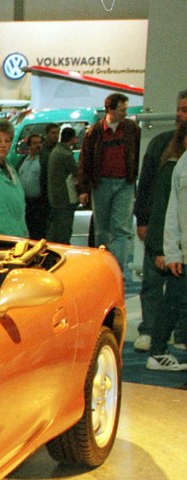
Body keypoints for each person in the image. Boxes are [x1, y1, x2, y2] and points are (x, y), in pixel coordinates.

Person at [133, 89, 187, 352]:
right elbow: (146, 187)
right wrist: (142, 220)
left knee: (178, 292)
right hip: (157, 225)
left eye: (185, 110)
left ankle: (178, 334)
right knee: (153, 283)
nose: (179, 114)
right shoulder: (160, 144)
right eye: (179, 109)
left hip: (178, 233)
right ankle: (149, 331)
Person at [77, 92, 141, 271]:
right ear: (110, 110)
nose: (125, 113)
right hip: (101, 184)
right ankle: (103, 267)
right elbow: (85, 160)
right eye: (122, 110)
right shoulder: (95, 132)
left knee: (122, 228)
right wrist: (83, 189)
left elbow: (137, 153)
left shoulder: (132, 129)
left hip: (124, 183)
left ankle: (118, 269)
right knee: (102, 228)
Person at [153, 128, 187, 370]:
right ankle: (157, 351)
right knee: (172, 302)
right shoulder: (182, 165)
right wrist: (172, 251)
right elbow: (172, 212)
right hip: (184, 253)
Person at [46, 126, 80, 244]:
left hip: (55, 197)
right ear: (73, 139)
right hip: (64, 198)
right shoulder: (66, 154)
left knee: (55, 229)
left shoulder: (56, 151)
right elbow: (78, 171)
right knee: (64, 231)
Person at [17, 133, 47, 239]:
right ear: (29, 145)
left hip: (38, 203)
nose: (38, 146)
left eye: (39, 143)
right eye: (34, 143)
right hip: (25, 202)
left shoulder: (43, 160)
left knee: (37, 233)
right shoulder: (23, 160)